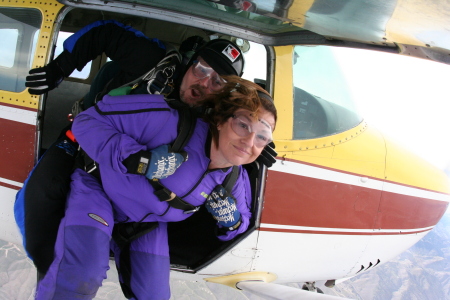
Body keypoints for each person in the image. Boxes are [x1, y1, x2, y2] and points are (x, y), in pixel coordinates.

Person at [16, 20, 279, 279]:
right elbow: (106, 32)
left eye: (218, 82)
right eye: (201, 69)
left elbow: (247, 120)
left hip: (129, 182)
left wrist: (258, 144)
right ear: (190, 61)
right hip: (82, 143)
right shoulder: (152, 63)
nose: (205, 84)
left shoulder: (215, 114)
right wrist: (60, 67)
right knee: (45, 208)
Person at [34, 76, 277, 299]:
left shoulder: (233, 177)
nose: (249, 141)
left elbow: (242, 221)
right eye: (243, 125)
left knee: (155, 296)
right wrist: (138, 159)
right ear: (221, 121)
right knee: (81, 274)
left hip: (146, 222)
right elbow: (87, 121)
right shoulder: (170, 122)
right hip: (99, 191)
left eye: (262, 136)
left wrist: (231, 219)